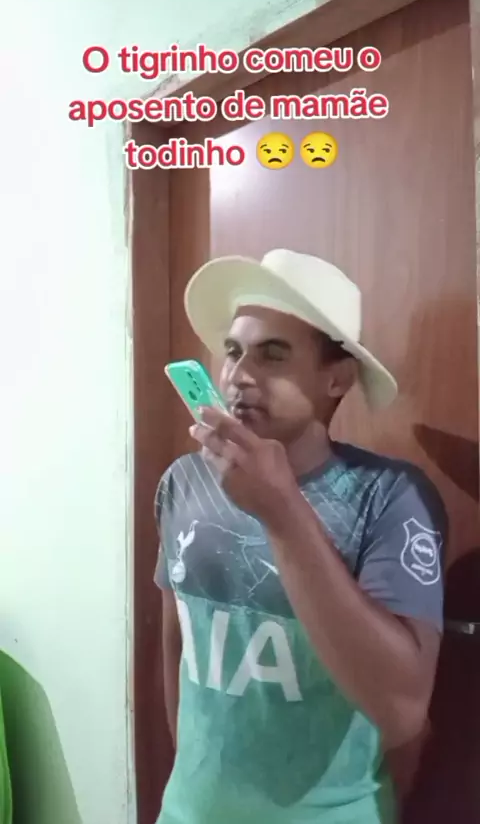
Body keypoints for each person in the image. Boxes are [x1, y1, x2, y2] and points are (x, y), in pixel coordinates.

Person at [154, 249, 447, 824]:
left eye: (272, 354)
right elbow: (175, 644)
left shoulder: (389, 497)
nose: (238, 375)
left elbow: (402, 710)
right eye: (233, 350)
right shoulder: (185, 480)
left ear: (336, 377)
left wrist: (282, 512)